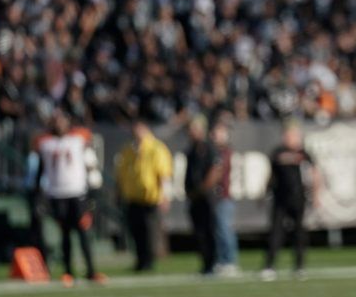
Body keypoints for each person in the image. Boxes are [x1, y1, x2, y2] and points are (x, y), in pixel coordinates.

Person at [34, 112, 107, 286]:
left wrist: (93, 188)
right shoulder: (45, 143)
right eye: (56, 121)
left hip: (77, 192)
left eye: (62, 120)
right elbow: (41, 169)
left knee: (83, 233)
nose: (59, 124)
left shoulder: (78, 139)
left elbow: (90, 163)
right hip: (57, 194)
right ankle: (68, 271)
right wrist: (38, 192)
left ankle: (91, 271)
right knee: (64, 234)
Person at [261, 123, 320, 281]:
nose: (291, 138)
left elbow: (315, 174)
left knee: (299, 233)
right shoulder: (278, 152)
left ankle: (299, 266)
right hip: (280, 198)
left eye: (294, 135)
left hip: (298, 198)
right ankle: (269, 266)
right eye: (289, 135)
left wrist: (316, 195)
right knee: (276, 232)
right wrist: (264, 192)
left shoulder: (304, 153)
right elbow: (271, 173)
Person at [115, 120, 172, 272]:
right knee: (136, 231)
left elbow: (163, 174)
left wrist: (164, 195)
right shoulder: (128, 150)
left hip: (151, 198)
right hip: (133, 198)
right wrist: (119, 192)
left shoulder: (156, 148)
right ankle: (140, 261)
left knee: (150, 232)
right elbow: (121, 174)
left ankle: (149, 262)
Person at [184, 116, 221, 276]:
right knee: (199, 233)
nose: (190, 132)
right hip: (195, 197)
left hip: (207, 197)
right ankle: (206, 264)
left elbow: (215, 169)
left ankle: (213, 263)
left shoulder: (209, 147)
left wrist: (204, 188)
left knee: (209, 230)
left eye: (193, 129)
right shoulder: (191, 149)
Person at [211, 119, 239, 275]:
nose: (216, 136)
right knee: (217, 230)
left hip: (224, 195)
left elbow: (219, 172)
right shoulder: (211, 150)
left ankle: (230, 261)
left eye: (220, 133)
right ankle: (221, 260)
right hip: (214, 197)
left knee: (225, 228)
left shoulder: (226, 152)